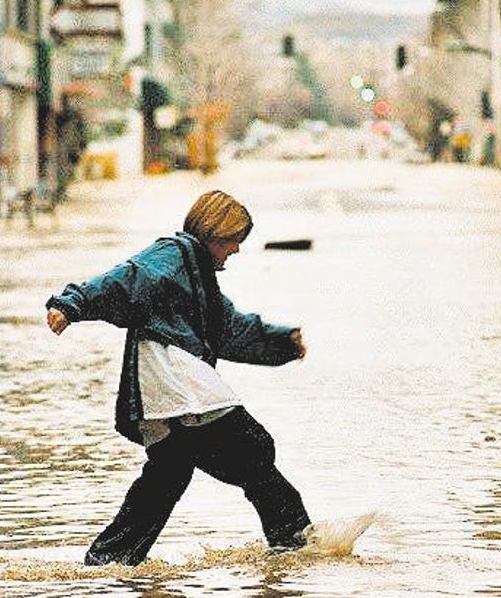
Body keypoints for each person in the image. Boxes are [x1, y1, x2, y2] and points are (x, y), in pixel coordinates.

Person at [45, 190, 312, 566]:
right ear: (216, 232)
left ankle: (109, 563)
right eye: (234, 240)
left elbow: (229, 329)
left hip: (170, 391)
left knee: (168, 475)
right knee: (253, 447)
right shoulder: (172, 256)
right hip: (172, 381)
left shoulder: (198, 272)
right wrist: (69, 305)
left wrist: (281, 342)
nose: (236, 250)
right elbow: (123, 280)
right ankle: (296, 544)